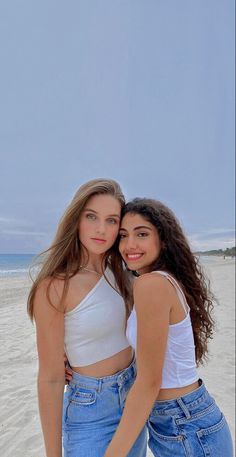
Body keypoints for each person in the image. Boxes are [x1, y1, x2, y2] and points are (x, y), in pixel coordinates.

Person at [104, 198, 233, 457]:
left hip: (185, 426)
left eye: (141, 234)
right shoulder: (160, 281)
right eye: (123, 236)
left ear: (162, 240)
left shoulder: (152, 285)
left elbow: (149, 382)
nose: (129, 245)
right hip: (187, 420)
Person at [27, 179, 147, 457]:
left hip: (133, 399)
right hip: (91, 410)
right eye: (91, 216)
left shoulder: (126, 274)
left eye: (111, 220)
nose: (101, 229)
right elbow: (50, 378)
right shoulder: (56, 285)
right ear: (76, 218)